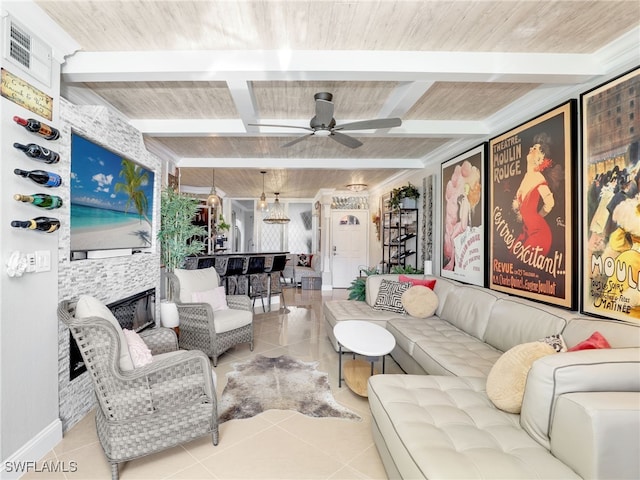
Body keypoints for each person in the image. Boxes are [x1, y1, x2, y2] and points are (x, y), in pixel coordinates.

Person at [511, 133, 555, 256]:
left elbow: (550, 203)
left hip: (539, 233)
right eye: (532, 147)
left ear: (540, 159)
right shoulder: (527, 177)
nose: (530, 149)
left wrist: (537, 217)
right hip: (527, 231)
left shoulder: (538, 178)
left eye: (535, 149)